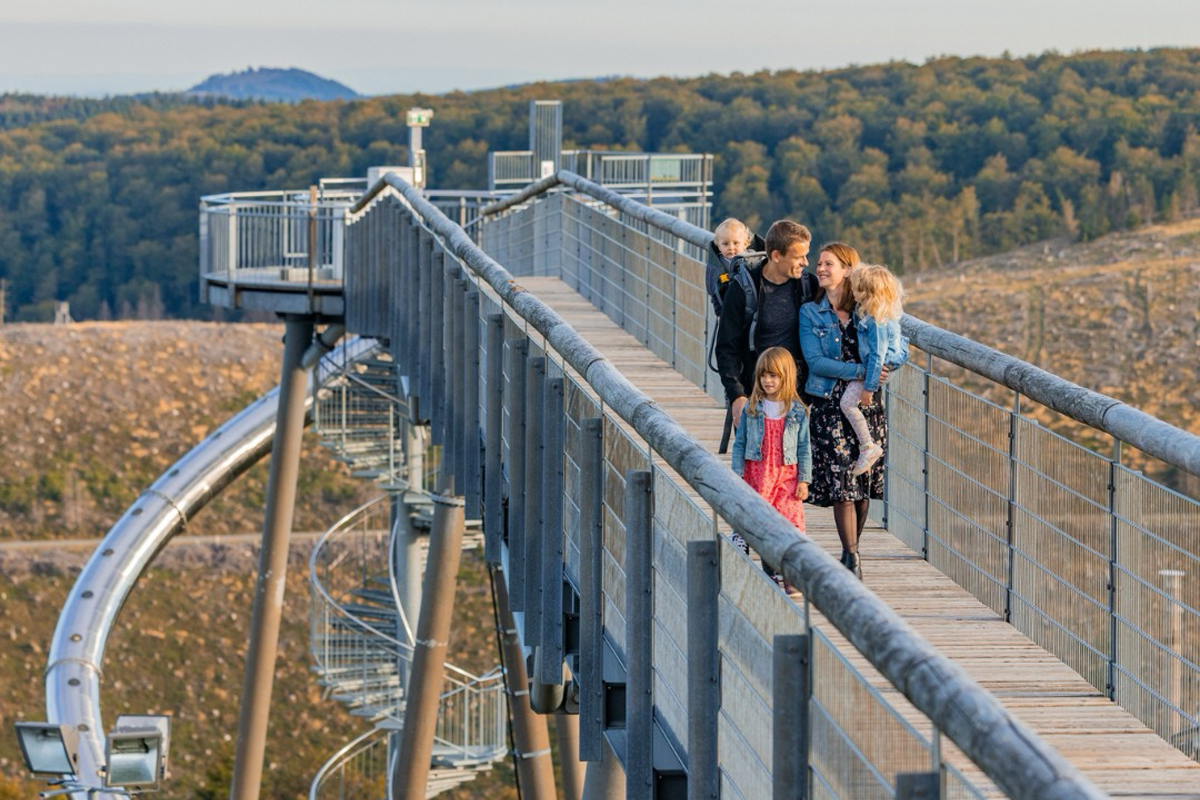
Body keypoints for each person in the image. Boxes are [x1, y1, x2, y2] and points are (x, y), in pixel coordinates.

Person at [798, 242, 888, 580]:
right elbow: (816, 362)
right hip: (828, 405)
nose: (820, 269)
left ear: (847, 269)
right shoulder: (810, 313)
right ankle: (852, 558)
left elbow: (900, 345)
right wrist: (863, 372)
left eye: (828, 264)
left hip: (865, 405)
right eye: (819, 264)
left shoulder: (869, 307)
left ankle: (853, 552)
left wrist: (887, 366)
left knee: (862, 484)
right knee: (842, 482)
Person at [715, 219, 819, 433]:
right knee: (754, 464)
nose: (805, 262)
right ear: (776, 256)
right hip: (755, 396)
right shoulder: (743, 290)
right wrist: (736, 395)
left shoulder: (809, 285)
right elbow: (727, 346)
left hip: (797, 397)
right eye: (798, 257)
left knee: (793, 464)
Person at [730, 347, 811, 594]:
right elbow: (740, 442)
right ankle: (742, 538)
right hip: (758, 472)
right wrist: (737, 473)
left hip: (786, 475)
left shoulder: (797, 411)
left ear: (785, 377)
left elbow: (804, 448)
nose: (768, 381)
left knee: (790, 522)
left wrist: (804, 480)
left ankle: (789, 573)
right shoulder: (752, 408)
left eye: (774, 376)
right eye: (764, 376)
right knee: (759, 516)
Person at [841, 263, 910, 476]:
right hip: (876, 368)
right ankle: (867, 445)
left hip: (875, 371)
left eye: (855, 288)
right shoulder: (880, 315)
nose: (852, 291)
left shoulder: (876, 321)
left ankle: (868, 446)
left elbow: (877, 356)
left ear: (866, 293)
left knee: (847, 404)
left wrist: (869, 388)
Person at [705, 217, 764, 317]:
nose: (731, 248)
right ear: (719, 246)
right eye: (725, 244)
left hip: (752, 311)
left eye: (736, 243)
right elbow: (714, 291)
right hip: (729, 313)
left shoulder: (754, 260)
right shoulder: (717, 266)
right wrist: (721, 314)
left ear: (746, 244)